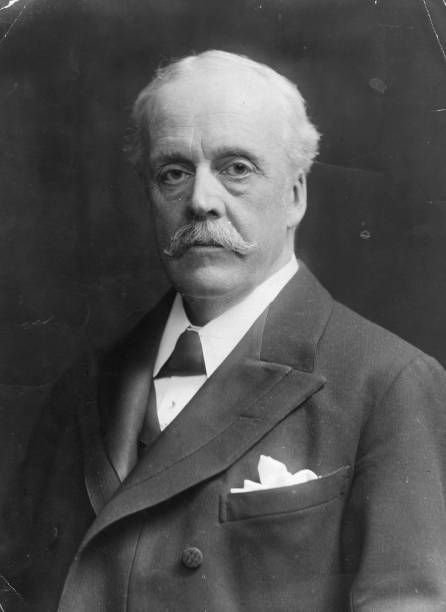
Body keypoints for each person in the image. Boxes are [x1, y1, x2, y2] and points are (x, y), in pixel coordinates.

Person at [9, 50, 446, 611]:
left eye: (236, 168)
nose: (200, 201)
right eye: (173, 173)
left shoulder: (389, 385)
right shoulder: (84, 389)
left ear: (294, 195)